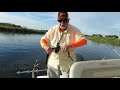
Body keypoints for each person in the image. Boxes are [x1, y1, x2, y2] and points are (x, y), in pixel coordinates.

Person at [40, 12, 87, 78]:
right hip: (53, 61)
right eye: (60, 20)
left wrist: (70, 45)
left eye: (65, 20)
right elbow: (43, 39)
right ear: (57, 20)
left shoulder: (75, 30)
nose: (62, 23)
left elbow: (84, 41)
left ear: (68, 20)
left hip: (67, 62)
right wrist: (45, 46)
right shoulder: (52, 30)